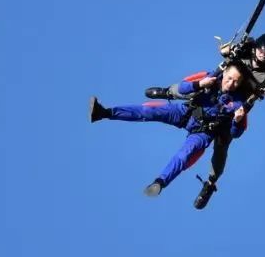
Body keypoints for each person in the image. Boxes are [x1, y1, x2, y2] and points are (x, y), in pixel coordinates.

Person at [140, 33, 265, 209]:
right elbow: (225, 50)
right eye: (261, 50)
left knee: (222, 146)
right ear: (256, 47)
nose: (263, 54)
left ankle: (210, 183)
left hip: (233, 110)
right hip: (215, 89)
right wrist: (226, 50)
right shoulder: (245, 49)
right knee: (196, 84)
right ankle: (166, 92)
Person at [88, 64, 251, 198]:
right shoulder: (212, 77)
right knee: (147, 112)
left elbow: (235, 134)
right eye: (229, 78)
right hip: (185, 112)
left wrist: (236, 121)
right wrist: (200, 84)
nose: (230, 84)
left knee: (185, 154)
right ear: (225, 74)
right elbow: (183, 88)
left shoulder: (237, 103)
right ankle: (103, 113)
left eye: (236, 82)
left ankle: (160, 182)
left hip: (203, 132)